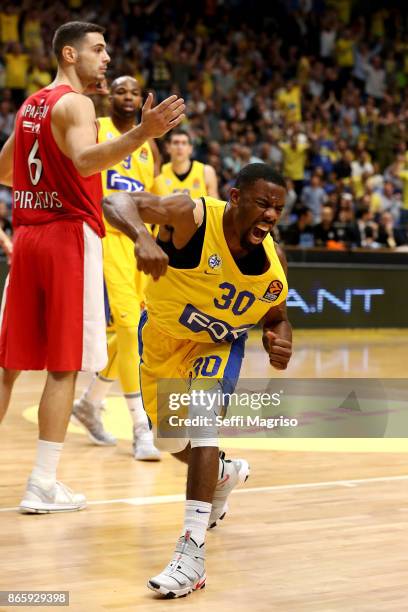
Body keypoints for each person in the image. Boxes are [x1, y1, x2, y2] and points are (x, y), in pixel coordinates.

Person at [0, 21, 185, 514]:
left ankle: (47, 478)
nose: (106, 58)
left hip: (28, 237)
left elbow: (4, 170)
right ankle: (42, 483)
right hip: (67, 236)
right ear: (68, 54)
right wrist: (145, 132)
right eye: (98, 50)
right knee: (63, 368)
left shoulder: (31, 104)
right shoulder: (78, 104)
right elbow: (85, 163)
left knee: (9, 366)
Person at [103, 163, 293, 598]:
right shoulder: (191, 216)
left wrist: (279, 341)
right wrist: (143, 236)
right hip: (162, 339)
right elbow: (115, 201)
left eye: (278, 208)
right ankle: (223, 474)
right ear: (236, 196)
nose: (270, 215)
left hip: (216, 345)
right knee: (170, 443)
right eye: (263, 203)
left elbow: (278, 317)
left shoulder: (273, 260)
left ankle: (191, 555)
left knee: (204, 418)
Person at [72, 76, 162, 460]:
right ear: (110, 96)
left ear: (141, 99)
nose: (127, 97)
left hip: (139, 243)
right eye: (121, 90)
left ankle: (90, 402)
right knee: (128, 327)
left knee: (131, 330)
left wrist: (155, 241)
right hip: (104, 238)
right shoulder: (96, 130)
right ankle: (141, 426)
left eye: (134, 92)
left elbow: (152, 200)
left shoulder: (149, 147)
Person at [158, 128, 219, 198]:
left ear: (190, 149)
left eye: (184, 143)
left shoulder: (206, 172)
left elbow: (214, 206)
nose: (179, 147)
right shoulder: (159, 172)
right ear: (168, 147)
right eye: (175, 143)